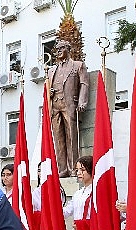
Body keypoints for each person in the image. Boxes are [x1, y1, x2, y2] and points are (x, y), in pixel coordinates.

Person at [47, 40, 89, 178]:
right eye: (56, 49)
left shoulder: (78, 65)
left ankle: (73, 168)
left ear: (68, 48)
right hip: (55, 107)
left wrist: (82, 101)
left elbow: (84, 84)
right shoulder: (51, 70)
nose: (58, 51)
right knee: (58, 139)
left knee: (71, 138)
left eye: (61, 48)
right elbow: (47, 89)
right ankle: (62, 168)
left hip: (70, 105)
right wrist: (50, 92)